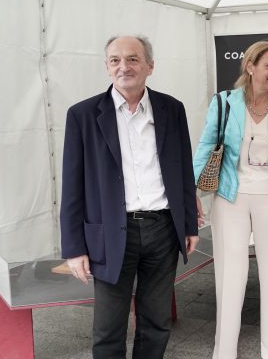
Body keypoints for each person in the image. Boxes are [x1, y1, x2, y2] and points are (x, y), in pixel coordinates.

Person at [60, 35, 199, 358]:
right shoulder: (82, 115)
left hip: (163, 229)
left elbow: (183, 170)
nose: (124, 66)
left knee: (156, 322)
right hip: (110, 232)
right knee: (109, 327)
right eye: (115, 60)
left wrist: (189, 225)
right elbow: (72, 186)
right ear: (107, 67)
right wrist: (74, 247)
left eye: (133, 59)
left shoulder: (171, 109)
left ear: (150, 65)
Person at [193, 41, 268, 359]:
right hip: (230, 197)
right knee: (230, 275)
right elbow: (205, 145)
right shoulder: (224, 102)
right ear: (250, 66)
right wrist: (191, 192)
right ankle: (224, 351)